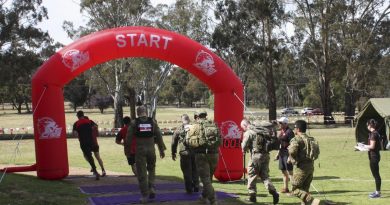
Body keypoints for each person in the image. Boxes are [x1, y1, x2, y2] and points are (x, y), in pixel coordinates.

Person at [125, 105, 166, 204]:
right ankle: (151, 187)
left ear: (137, 113)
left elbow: (128, 139)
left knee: (142, 173)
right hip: (151, 150)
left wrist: (127, 152)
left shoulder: (134, 123)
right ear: (145, 112)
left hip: (140, 151)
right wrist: (161, 149)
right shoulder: (152, 122)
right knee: (152, 169)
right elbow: (159, 135)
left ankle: (144, 195)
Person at [241, 119, 279, 204]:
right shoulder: (261, 130)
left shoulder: (249, 132)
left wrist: (243, 149)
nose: (243, 129)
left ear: (244, 125)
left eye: (242, 127)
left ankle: (252, 196)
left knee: (252, 175)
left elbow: (244, 145)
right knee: (264, 175)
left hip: (255, 156)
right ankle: (273, 192)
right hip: (266, 155)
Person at [186, 110, 220, 205]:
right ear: (205, 115)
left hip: (201, 155)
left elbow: (188, 141)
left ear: (196, 116)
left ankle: (213, 200)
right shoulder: (213, 124)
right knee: (209, 179)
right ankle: (204, 197)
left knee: (205, 179)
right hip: (215, 154)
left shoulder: (194, 126)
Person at [288, 120, 320, 205]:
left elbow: (292, 151)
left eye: (294, 128)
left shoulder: (296, 139)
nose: (294, 130)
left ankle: (312, 200)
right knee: (305, 190)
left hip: (300, 168)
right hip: (310, 167)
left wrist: (291, 158)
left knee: (295, 189)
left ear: (297, 129)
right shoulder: (311, 139)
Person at [72, 111, 106, 180]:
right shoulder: (89, 121)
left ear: (78, 116)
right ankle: (103, 170)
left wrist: (80, 134)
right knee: (97, 156)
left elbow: (75, 134)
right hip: (92, 142)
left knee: (88, 156)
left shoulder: (76, 123)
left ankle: (95, 171)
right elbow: (95, 126)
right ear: (83, 115)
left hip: (83, 142)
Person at [171, 114, 199, 194]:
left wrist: (173, 153)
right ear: (189, 119)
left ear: (182, 120)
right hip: (194, 152)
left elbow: (173, 142)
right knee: (195, 169)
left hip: (184, 153)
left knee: (187, 171)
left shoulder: (179, 129)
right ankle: (196, 185)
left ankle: (189, 189)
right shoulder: (195, 127)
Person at [276, 117, 294, 193]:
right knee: (283, 171)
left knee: (290, 172)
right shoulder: (281, 131)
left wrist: (290, 156)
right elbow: (280, 143)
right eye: (279, 122)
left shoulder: (290, 132)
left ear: (286, 124)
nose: (279, 124)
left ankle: (294, 189)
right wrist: (278, 153)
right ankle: (285, 188)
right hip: (282, 153)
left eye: (281, 123)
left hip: (287, 153)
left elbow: (292, 145)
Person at [364, 119, 382, 198]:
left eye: (367, 125)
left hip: (374, 157)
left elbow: (372, 146)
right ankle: (377, 191)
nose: (367, 126)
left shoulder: (373, 134)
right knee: (376, 175)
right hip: (376, 155)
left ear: (370, 125)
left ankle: (378, 193)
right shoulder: (376, 133)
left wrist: (363, 146)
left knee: (376, 175)